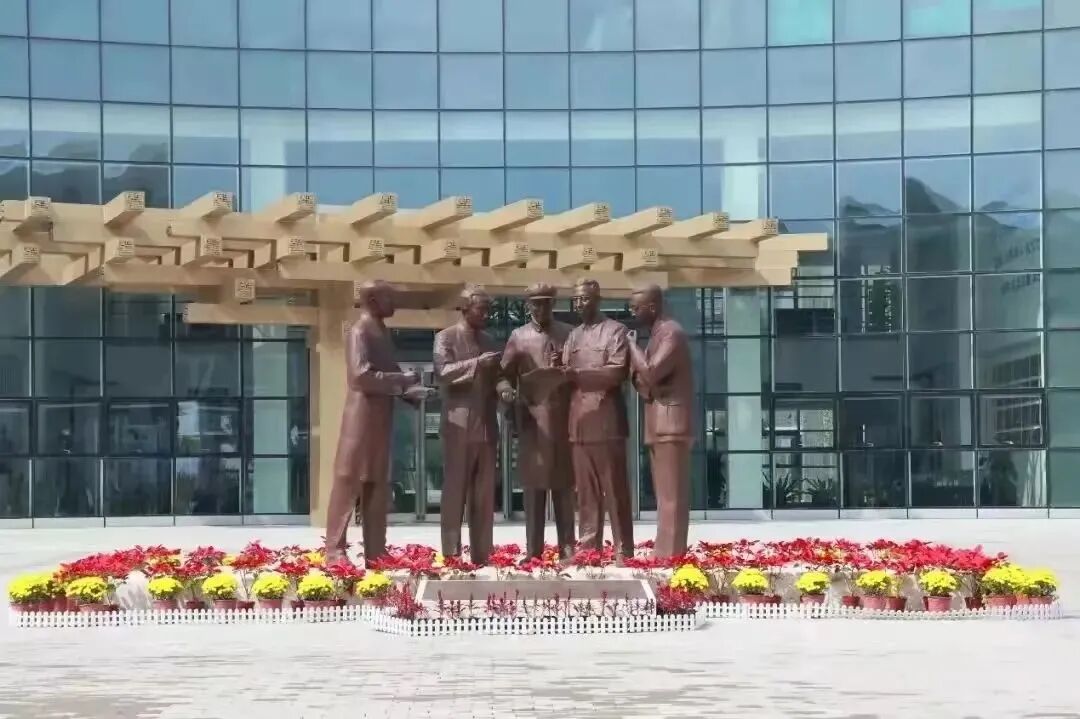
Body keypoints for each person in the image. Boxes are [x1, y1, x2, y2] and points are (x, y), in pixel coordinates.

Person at [325, 280, 431, 566]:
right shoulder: (359, 331)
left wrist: (410, 392)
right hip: (361, 417)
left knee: (377, 484)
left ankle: (376, 551)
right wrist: (402, 380)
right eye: (389, 298)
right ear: (372, 301)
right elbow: (360, 377)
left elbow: (389, 372)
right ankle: (334, 550)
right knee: (349, 480)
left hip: (381, 418)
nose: (394, 303)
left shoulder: (382, 331)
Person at [498, 283, 576, 559]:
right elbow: (503, 374)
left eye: (546, 302)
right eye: (536, 303)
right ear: (528, 305)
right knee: (534, 490)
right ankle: (534, 552)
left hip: (564, 421)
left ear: (553, 304)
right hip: (533, 424)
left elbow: (580, 372)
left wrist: (564, 369)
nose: (541, 308)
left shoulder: (569, 333)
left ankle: (568, 549)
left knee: (564, 488)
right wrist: (506, 391)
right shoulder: (518, 337)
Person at [563, 278, 634, 563]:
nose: (579, 304)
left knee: (615, 489)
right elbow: (565, 370)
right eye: (576, 299)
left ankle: (623, 549)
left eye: (584, 299)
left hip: (607, 420)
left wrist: (579, 375)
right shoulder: (573, 336)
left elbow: (617, 371)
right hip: (578, 421)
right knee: (585, 492)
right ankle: (588, 549)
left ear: (597, 299)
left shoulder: (615, 331)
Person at [433, 285, 501, 565]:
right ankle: (451, 552)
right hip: (458, 424)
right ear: (465, 308)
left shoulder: (490, 340)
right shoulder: (445, 337)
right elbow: (443, 373)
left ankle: (482, 553)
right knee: (455, 491)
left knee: (484, 494)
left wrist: (505, 388)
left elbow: (498, 376)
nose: (486, 314)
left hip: (486, 424)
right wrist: (476, 364)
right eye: (481, 309)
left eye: (488, 310)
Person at [627, 284, 695, 558]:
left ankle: (671, 555)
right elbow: (641, 382)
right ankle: (664, 552)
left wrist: (631, 347)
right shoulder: (657, 334)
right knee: (664, 495)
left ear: (652, 307)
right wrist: (642, 374)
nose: (632, 312)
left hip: (672, 423)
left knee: (672, 496)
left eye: (636, 307)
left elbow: (650, 373)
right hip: (658, 422)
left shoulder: (671, 333)